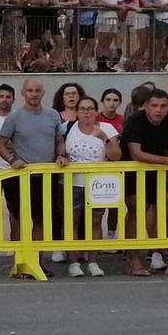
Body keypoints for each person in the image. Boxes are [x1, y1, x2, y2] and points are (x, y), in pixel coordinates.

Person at [0, 78, 66, 265]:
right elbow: (0, 143)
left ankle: (36, 261)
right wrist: (11, 160)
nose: (34, 94)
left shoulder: (53, 115)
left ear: (43, 93)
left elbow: (59, 140)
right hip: (23, 177)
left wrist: (60, 155)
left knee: (42, 220)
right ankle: (20, 261)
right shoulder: (14, 117)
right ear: (24, 93)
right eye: (30, 90)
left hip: (47, 176)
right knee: (21, 220)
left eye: (37, 90)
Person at [119, 84, 168, 276]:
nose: (159, 110)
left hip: (158, 172)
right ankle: (132, 258)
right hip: (132, 170)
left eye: (163, 106)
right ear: (146, 106)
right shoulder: (135, 121)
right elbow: (136, 153)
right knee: (135, 210)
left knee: (163, 211)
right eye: (154, 106)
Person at [53, 95, 120, 277]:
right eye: (82, 108)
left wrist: (104, 137)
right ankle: (74, 262)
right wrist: (61, 157)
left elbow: (115, 155)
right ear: (77, 112)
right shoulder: (67, 128)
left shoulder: (106, 128)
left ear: (96, 111)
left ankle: (93, 261)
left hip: (98, 184)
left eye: (90, 108)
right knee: (71, 222)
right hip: (71, 182)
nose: (86, 112)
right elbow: (59, 148)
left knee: (96, 223)